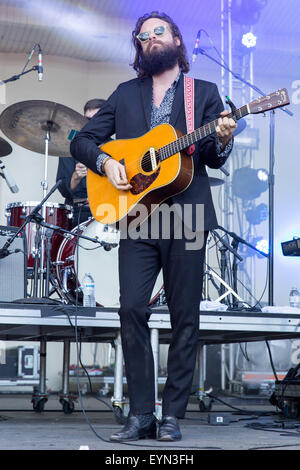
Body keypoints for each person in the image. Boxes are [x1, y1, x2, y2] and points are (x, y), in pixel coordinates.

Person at [70, 11, 237, 442]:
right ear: (139, 49)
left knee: (185, 317)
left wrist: (221, 137)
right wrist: (107, 163)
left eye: (158, 31)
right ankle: (142, 413)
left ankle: (173, 415)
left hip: (187, 212)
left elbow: (215, 157)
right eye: (142, 36)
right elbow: (81, 140)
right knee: (130, 309)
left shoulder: (204, 93)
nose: (150, 38)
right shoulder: (125, 94)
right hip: (140, 213)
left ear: (177, 41)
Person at [56, 98, 106, 228]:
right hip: (79, 211)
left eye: (97, 118)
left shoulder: (115, 146)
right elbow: (64, 191)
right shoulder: (72, 147)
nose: (91, 123)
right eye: (87, 120)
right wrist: (76, 177)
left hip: (108, 210)